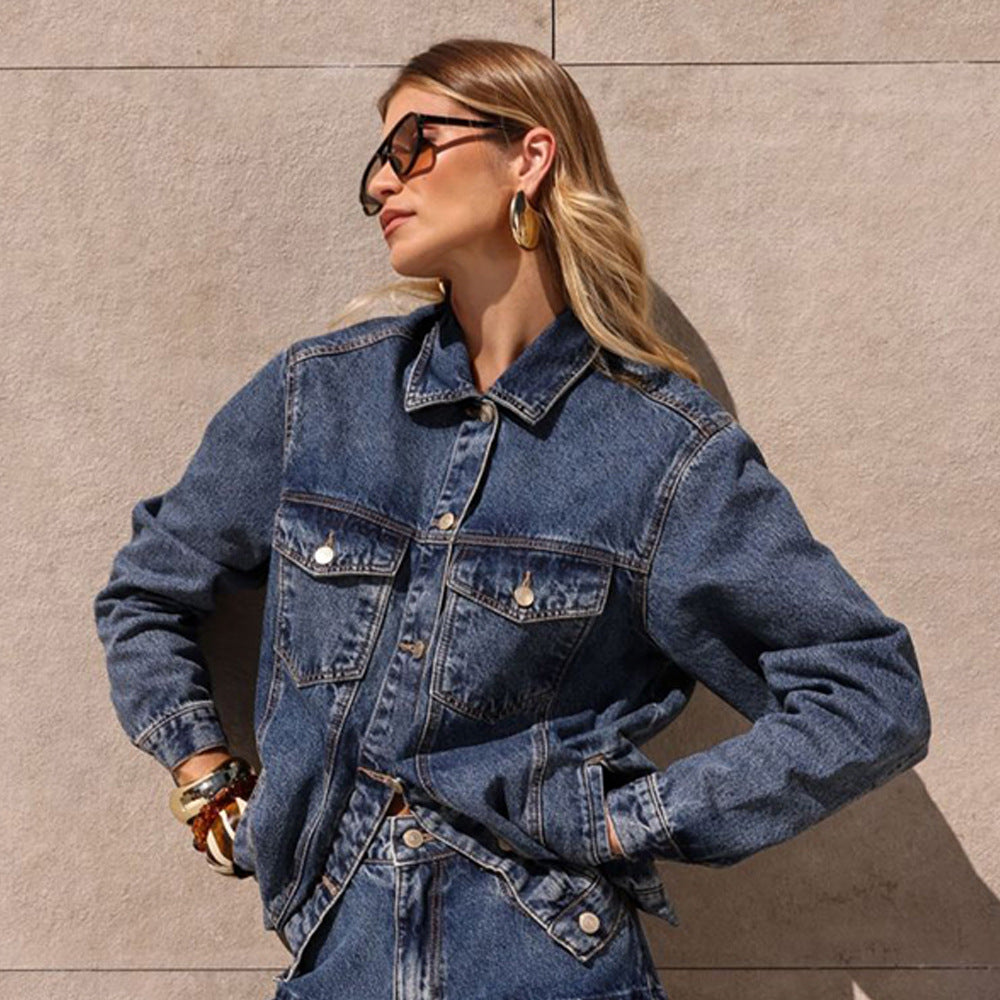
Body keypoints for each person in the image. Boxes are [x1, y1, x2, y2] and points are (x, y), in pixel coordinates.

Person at [93, 36, 932, 1000]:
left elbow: (869, 693)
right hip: (335, 960)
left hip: (550, 964)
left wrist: (626, 818)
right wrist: (205, 777)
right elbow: (146, 591)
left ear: (529, 156)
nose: (381, 184)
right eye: (376, 164)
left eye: (411, 144)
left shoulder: (661, 452)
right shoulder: (317, 400)